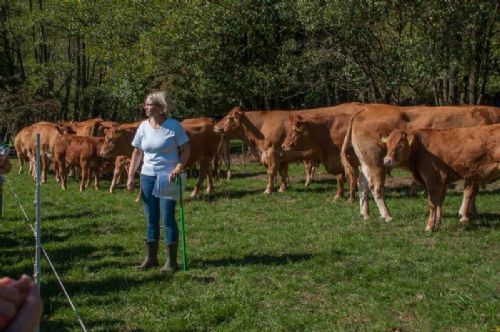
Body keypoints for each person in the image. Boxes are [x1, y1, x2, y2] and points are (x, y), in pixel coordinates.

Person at [127, 91, 190, 273]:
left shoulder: (174, 126)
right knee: (151, 218)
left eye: (150, 105)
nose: (146, 107)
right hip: (147, 176)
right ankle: (151, 258)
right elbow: (137, 152)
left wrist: (179, 167)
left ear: (161, 108)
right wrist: (131, 176)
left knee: (167, 217)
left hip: (167, 177)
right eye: (146, 104)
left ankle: (171, 262)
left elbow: (186, 149)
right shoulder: (143, 127)